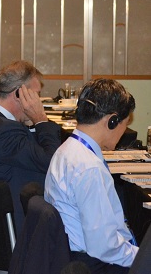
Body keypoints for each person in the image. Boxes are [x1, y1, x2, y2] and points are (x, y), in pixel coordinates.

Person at [45, 79, 138, 273]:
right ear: (112, 121)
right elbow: (104, 247)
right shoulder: (89, 168)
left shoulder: (67, 149)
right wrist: (139, 257)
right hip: (93, 263)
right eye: (125, 123)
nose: (125, 131)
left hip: (70, 256)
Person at [0, 60, 61, 229]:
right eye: (36, 95)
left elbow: (28, 151)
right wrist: (41, 120)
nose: (38, 102)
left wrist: (33, 126)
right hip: (21, 222)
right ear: (19, 94)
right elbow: (52, 162)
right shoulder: (5, 130)